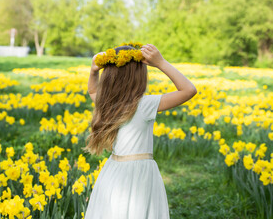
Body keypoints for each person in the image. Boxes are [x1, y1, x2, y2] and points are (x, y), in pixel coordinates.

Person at [83, 43, 197, 219]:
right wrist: (161, 63)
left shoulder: (109, 103)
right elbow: (189, 90)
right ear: (138, 77)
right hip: (140, 175)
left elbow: (92, 90)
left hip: (113, 170)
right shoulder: (144, 105)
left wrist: (93, 71)